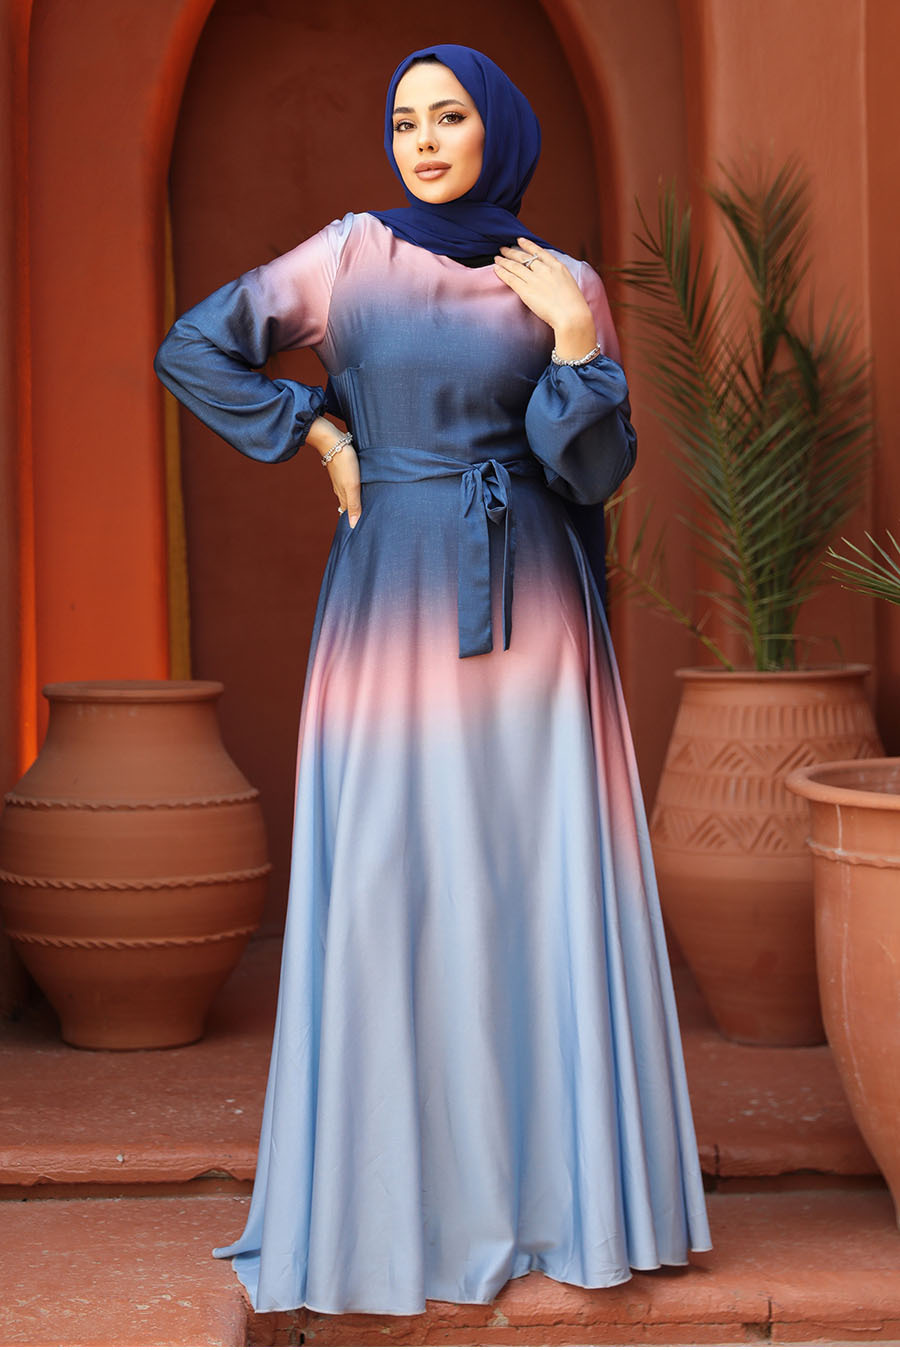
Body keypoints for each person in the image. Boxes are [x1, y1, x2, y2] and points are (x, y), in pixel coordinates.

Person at [153, 42, 712, 1317]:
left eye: (448, 117)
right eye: (404, 120)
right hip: (391, 600)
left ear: (495, 131)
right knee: (394, 878)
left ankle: (557, 1201)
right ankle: (396, 1203)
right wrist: (314, 428)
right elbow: (195, 348)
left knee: (529, 877)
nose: (421, 140)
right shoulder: (349, 256)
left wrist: (578, 342)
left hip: (534, 614)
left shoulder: (557, 279)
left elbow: (591, 472)